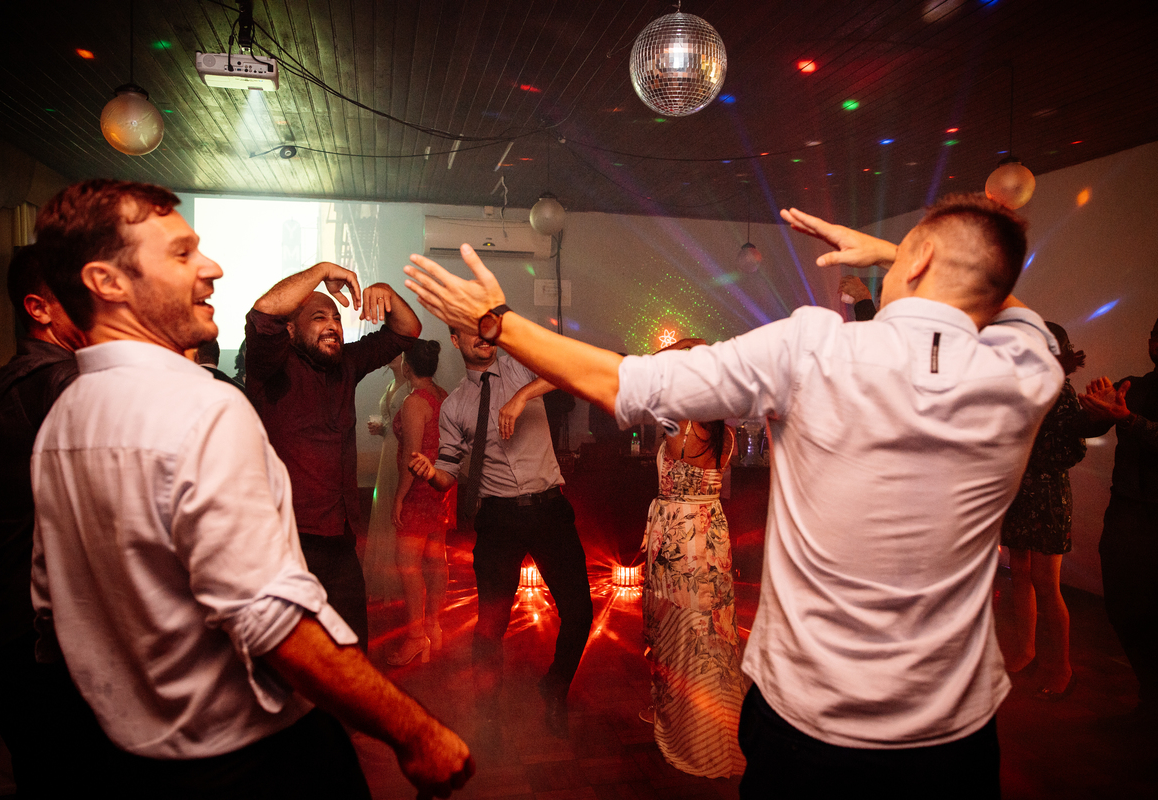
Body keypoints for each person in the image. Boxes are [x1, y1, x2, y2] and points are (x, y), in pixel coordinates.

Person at [402, 193, 1064, 797]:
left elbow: (623, 384)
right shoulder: (1028, 369)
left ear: (918, 260)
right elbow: (1008, 302)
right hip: (956, 735)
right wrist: (911, 252)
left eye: (906, 254)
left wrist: (497, 321)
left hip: (812, 723)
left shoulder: (817, 347)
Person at [30, 179, 473, 797]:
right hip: (246, 752)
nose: (210, 266)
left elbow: (52, 610)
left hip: (127, 754)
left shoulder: (62, 420)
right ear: (107, 282)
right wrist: (415, 731)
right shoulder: (205, 408)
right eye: (181, 254)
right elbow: (271, 623)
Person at [0, 246, 121, 793]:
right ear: (40, 309)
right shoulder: (55, 382)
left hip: (16, 638)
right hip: (38, 651)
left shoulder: (36, 376)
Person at [407, 325, 594, 738]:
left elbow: (572, 370)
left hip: (549, 510)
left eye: (485, 329)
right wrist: (430, 473)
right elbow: (448, 475)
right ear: (455, 341)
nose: (481, 337)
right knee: (491, 624)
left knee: (580, 613)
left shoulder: (522, 368)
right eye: (469, 332)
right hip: (499, 521)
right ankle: (488, 712)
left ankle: (554, 687)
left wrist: (523, 395)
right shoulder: (455, 405)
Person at [245, 262, 421, 650]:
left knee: (351, 651)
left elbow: (408, 331)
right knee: (293, 659)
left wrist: (387, 293)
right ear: (290, 330)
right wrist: (323, 270)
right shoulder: (270, 367)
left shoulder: (346, 364)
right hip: (287, 541)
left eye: (337, 318)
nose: (333, 325)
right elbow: (263, 314)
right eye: (318, 317)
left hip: (340, 538)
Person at [640, 338, 744, 778]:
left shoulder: (675, 425)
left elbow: (650, 369)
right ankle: (716, 723)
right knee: (710, 632)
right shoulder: (723, 432)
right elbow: (726, 488)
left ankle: (683, 724)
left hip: (676, 539)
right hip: (712, 534)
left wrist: (682, 345)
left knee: (675, 627)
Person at [1078, 311, 1158, 742]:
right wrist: (1094, 413)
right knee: (1125, 611)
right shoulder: (1136, 384)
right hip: (1127, 517)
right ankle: (1151, 705)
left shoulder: (1132, 400)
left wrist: (1126, 418)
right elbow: (1091, 427)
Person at [1000, 322, 1086, 699]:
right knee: (1018, 572)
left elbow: (1074, 449)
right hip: (1019, 491)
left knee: (1046, 584)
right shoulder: (1021, 386)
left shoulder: (1062, 390)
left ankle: (1061, 666)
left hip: (1048, 494)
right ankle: (1026, 649)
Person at [387, 340, 453, 666]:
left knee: (408, 564)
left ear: (406, 366)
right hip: (439, 485)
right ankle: (433, 626)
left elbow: (413, 458)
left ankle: (416, 637)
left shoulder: (415, 402)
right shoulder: (441, 395)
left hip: (420, 489)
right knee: (436, 558)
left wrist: (399, 497)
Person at [363, 353, 409, 602]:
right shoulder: (390, 385)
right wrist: (382, 430)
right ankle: (384, 580)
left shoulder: (410, 386)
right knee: (383, 509)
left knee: (397, 512)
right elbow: (394, 424)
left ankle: (401, 582)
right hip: (387, 451)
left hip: (400, 453)